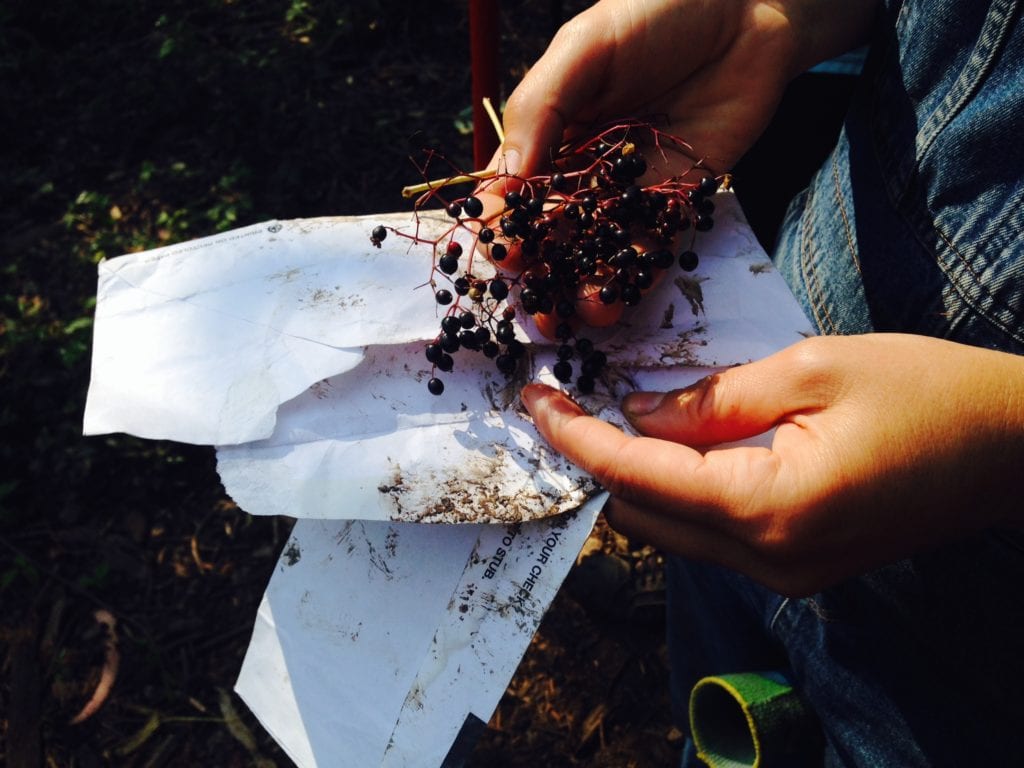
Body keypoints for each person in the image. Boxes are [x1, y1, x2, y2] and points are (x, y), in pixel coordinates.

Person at [488, 0, 1024, 764]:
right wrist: (766, 17)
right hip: (746, 435)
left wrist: (1006, 445)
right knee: (712, 719)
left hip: (964, 689)